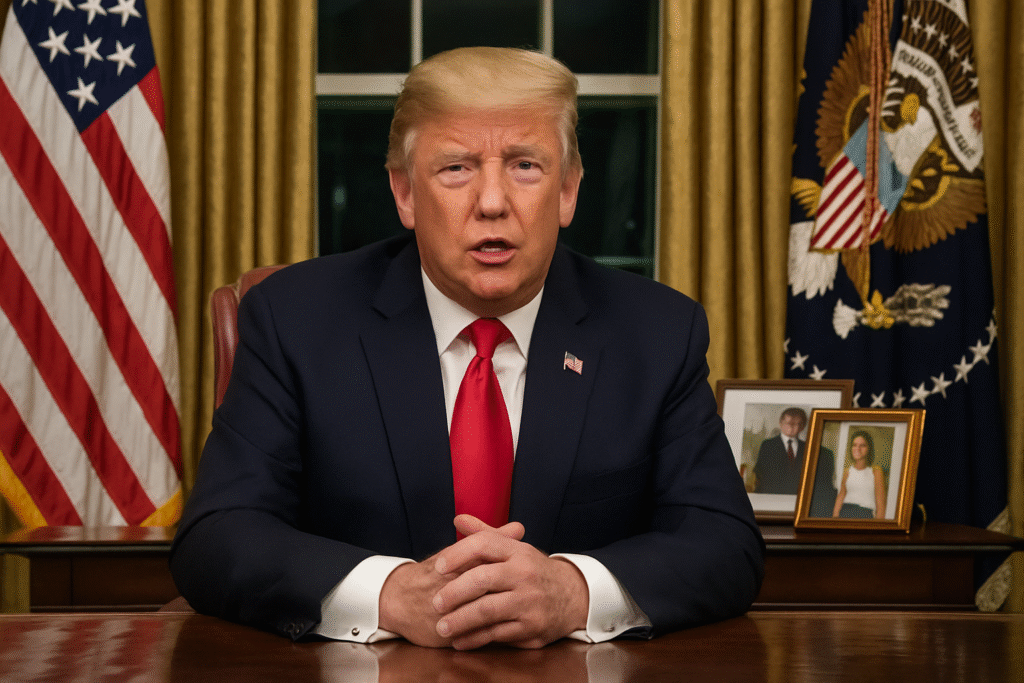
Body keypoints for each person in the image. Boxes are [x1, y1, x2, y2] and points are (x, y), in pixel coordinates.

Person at [170, 46, 764, 650]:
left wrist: (573, 592)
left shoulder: (656, 331)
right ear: (403, 192)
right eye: (456, 168)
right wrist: (391, 594)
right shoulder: (296, 319)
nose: (491, 202)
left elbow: (724, 544)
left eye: (525, 166)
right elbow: (218, 535)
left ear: (569, 190)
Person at [832, 431, 887, 519]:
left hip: (865, 515)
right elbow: (841, 496)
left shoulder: (876, 472)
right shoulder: (847, 472)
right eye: (854, 445)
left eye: (862, 445)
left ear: (869, 448)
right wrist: (834, 518)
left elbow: (881, 506)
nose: (857, 448)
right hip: (845, 513)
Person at [752, 407, 807, 494]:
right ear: (780, 423)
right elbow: (760, 473)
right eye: (788, 423)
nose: (791, 427)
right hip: (772, 494)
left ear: (802, 427)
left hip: (799, 495)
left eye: (796, 424)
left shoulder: (807, 447)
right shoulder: (768, 445)